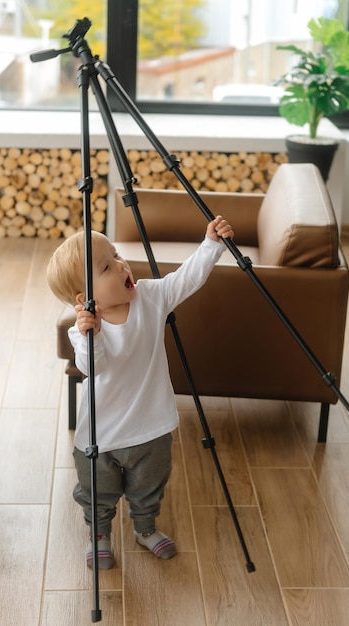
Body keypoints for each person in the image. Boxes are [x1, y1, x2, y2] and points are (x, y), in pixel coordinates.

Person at [46, 215, 234, 569]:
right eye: (107, 266)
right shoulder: (83, 330)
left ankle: (145, 526)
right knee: (97, 491)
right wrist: (93, 333)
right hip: (101, 434)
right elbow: (93, 367)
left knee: (149, 484)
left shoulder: (150, 297)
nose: (121, 266)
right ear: (85, 298)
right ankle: (99, 533)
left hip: (152, 425)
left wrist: (211, 245)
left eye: (116, 256)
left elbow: (187, 279)